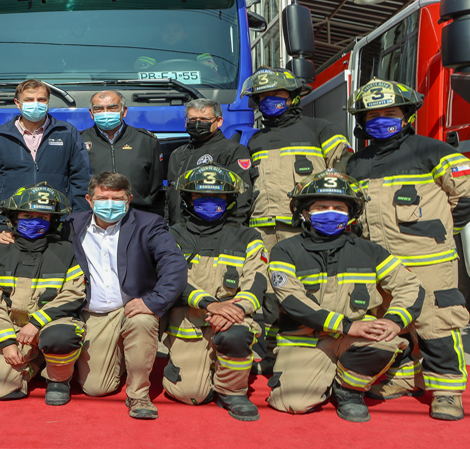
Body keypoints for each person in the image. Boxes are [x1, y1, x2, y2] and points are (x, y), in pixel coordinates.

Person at [346, 79, 470, 421]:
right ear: (361, 121)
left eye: (389, 113)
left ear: (405, 115)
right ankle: (407, 380)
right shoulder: (355, 164)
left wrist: (441, 234)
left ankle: (448, 392)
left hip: (429, 261)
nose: (381, 120)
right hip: (380, 265)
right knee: (387, 325)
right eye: (372, 115)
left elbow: (469, 195)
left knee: (435, 324)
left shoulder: (432, 151)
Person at [266, 169, 424, 422]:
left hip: (357, 336)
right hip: (306, 339)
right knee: (293, 403)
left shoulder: (370, 251)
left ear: (351, 213)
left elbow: (410, 285)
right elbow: (292, 300)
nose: (331, 212)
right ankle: (323, 375)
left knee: (383, 340)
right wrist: (346, 325)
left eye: (339, 207)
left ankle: (349, 390)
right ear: (304, 212)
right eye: (321, 206)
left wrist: (395, 320)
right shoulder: (285, 250)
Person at [242, 67, 352, 374]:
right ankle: (275, 355)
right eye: (262, 98)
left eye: (276, 96)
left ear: (293, 97)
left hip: (305, 232)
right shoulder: (255, 140)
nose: (269, 102)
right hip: (262, 231)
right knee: (268, 296)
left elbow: (343, 175)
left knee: (309, 292)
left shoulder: (321, 129)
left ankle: (318, 353)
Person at [70, 172, 189, 419]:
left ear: (129, 199)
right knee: (96, 388)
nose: (110, 204)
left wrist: (152, 301)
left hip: (133, 308)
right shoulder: (71, 225)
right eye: (103, 198)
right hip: (94, 313)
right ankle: (123, 358)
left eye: (118, 198)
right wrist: (8, 237)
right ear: (89, 200)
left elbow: (174, 266)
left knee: (143, 320)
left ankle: (138, 395)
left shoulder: (149, 224)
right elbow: (40, 239)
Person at [164, 165, 267, 421]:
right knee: (192, 395)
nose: (210, 203)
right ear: (188, 199)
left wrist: (236, 311)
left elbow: (257, 283)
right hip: (190, 325)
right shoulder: (171, 235)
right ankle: (194, 365)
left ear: (229, 200)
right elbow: (170, 279)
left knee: (236, 335)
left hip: (233, 321)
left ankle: (233, 392)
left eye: (218, 197)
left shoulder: (249, 237)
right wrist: (212, 305)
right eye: (201, 197)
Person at [0, 183, 86, 405]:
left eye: (43, 217)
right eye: (27, 215)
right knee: (0, 389)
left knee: (61, 338)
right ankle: (37, 363)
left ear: (53, 220)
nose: (34, 220)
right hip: (11, 327)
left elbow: (74, 294)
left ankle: (58, 379)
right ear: (14, 218)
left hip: (51, 323)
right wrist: (7, 342)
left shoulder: (66, 250)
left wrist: (37, 322)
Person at [0, 79, 92, 240]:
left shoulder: (67, 133)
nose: (35, 104)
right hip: (9, 224)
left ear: (48, 102)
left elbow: (82, 178)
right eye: (29, 100)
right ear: (17, 103)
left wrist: (79, 217)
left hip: (57, 222)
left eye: (41, 99)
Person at [165, 98, 252, 226]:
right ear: (185, 122)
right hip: (179, 232)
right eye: (192, 120)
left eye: (204, 120)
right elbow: (170, 197)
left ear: (219, 121)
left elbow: (242, 198)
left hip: (216, 232)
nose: (197, 123)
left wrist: (232, 231)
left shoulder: (234, 151)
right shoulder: (177, 154)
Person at [80, 90, 164, 215]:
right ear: (91, 113)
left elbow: (155, 182)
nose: (106, 113)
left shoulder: (145, 140)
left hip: (137, 213)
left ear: (124, 111)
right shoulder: (78, 140)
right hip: (92, 213)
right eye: (99, 109)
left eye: (112, 108)